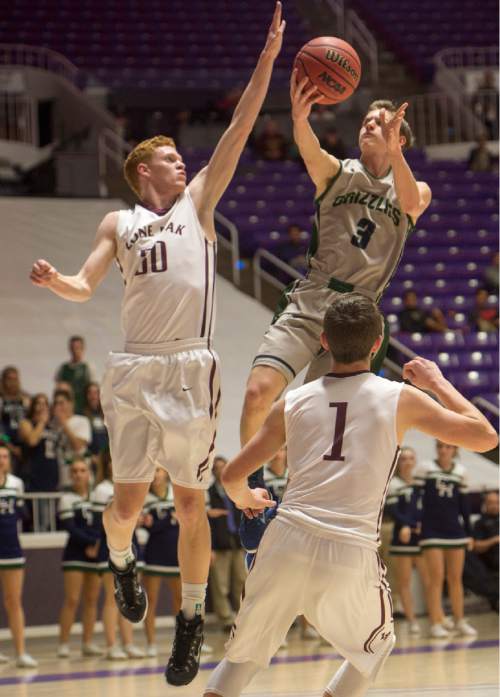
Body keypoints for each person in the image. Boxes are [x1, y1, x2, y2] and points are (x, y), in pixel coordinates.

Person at [30, 3, 285, 685]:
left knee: (192, 503)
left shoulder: (199, 204)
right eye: (173, 157)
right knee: (123, 509)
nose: (185, 161)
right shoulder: (119, 219)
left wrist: (265, 62)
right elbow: (86, 287)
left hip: (188, 368)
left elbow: (236, 131)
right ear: (147, 170)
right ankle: (123, 562)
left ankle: (193, 621)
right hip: (132, 367)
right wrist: (58, 282)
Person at [203, 293, 497, 697]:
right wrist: (437, 382)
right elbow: (485, 436)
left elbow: (232, 476)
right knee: (373, 649)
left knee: (241, 660)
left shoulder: (292, 401)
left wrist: (247, 498)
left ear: (323, 341)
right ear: (378, 344)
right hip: (349, 546)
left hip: (285, 538)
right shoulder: (400, 397)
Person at [241, 84, 432, 483]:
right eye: (365, 121)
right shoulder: (338, 172)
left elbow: (413, 204)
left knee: (318, 422)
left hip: (357, 312)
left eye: (380, 123)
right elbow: (310, 150)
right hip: (313, 294)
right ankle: (251, 497)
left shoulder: (411, 192)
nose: (368, 126)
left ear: (400, 138)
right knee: (258, 393)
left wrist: (395, 152)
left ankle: (297, 500)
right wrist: (298, 117)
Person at [90, 449, 145, 660]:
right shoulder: (102, 490)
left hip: (131, 545)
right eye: (113, 461)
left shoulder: (133, 487)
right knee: (113, 598)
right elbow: (98, 523)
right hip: (108, 547)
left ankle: (129, 643)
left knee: (131, 596)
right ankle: (112, 645)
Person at [419, 441, 477, 638]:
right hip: (431, 530)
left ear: (455, 450)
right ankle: (435, 622)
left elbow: (465, 506)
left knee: (455, 579)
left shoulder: (461, 471)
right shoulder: (426, 468)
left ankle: (459, 621)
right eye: (440, 446)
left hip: (454, 530)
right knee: (436, 578)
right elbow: (417, 500)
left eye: (448, 447)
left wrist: (469, 533)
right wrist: (414, 523)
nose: (444, 450)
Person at [57, 458, 102, 658]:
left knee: (92, 600)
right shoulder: (66, 498)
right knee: (72, 599)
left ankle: (88, 642)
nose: (78, 474)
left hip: (95, 553)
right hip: (75, 554)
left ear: (89, 474)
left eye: (82, 470)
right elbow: (71, 528)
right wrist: (90, 543)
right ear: (70, 475)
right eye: (74, 470)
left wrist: (98, 544)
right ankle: (64, 643)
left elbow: (103, 523)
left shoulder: (98, 496)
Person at [0, 443, 37, 668]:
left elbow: (23, 515)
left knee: (14, 600)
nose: (2, 459)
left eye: (4, 456)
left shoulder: (16, 484)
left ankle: (21, 652)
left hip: (12, 549)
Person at [386, 447, 429, 635]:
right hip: (402, 537)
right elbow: (394, 511)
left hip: (421, 537)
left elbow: (426, 508)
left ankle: (437, 617)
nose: (407, 462)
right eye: (403, 459)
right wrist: (410, 525)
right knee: (404, 582)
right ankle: (412, 620)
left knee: (430, 580)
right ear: (398, 462)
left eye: (411, 458)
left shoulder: (421, 484)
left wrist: (421, 524)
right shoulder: (393, 484)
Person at [141, 467, 182, 658]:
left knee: (181, 600)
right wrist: (170, 519)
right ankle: (150, 643)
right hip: (155, 554)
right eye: (153, 471)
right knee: (151, 600)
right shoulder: (144, 498)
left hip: (177, 553)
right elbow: (150, 528)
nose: (156, 475)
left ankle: (183, 642)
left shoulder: (178, 493)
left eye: (159, 470)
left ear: (166, 472)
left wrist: (162, 521)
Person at [207, 456, 246, 631]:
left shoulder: (235, 489)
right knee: (220, 585)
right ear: (213, 471)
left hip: (238, 542)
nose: (221, 470)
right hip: (219, 544)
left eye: (224, 467)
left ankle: (242, 617)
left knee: (241, 581)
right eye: (217, 468)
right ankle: (226, 619)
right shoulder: (208, 493)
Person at [18, 393, 60, 530]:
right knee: (40, 522)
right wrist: (41, 422)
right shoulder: (26, 423)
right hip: (35, 478)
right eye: (38, 403)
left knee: (52, 522)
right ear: (33, 406)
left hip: (52, 479)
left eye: (45, 403)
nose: (42, 407)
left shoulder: (52, 427)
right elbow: (32, 440)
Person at [463, 490, 499, 613]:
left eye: (497, 502)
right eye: (491, 503)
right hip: (490, 561)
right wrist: (494, 540)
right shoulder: (480, 523)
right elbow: (476, 546)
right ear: (485, 505)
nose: (494, 505)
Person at [52, 389, 91, 488]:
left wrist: (64, 424)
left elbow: (78, 446)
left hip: (79, 477)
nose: (58, 407)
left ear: (70, 404)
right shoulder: (52, 424)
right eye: (56, 404)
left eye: (61, 403)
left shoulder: (82, 420)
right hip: (60, 477)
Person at [55, 336, 96, 415]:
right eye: (73, 347)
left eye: (77, 347)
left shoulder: (88, 367)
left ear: (83, 348)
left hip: (84, 408)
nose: (75, 350)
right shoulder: (63, 368)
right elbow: (57, 389)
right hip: (66, 410)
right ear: (69, 349)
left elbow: (93, 390)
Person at [0, 366, 30, 473]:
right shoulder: (1, 399)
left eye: (15, 379)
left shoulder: (26, 398)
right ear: (3, 380)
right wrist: (10, 446)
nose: (12, 382)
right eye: (9, 379)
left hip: (25, 445)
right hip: (6, 444)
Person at [83, 382, 109, 472]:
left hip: (107, 458)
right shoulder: (82, 415)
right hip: (91, 459)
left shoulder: (107, 414)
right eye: (90, 393)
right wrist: (91, 456)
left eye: (96, 393)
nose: (93, 396)